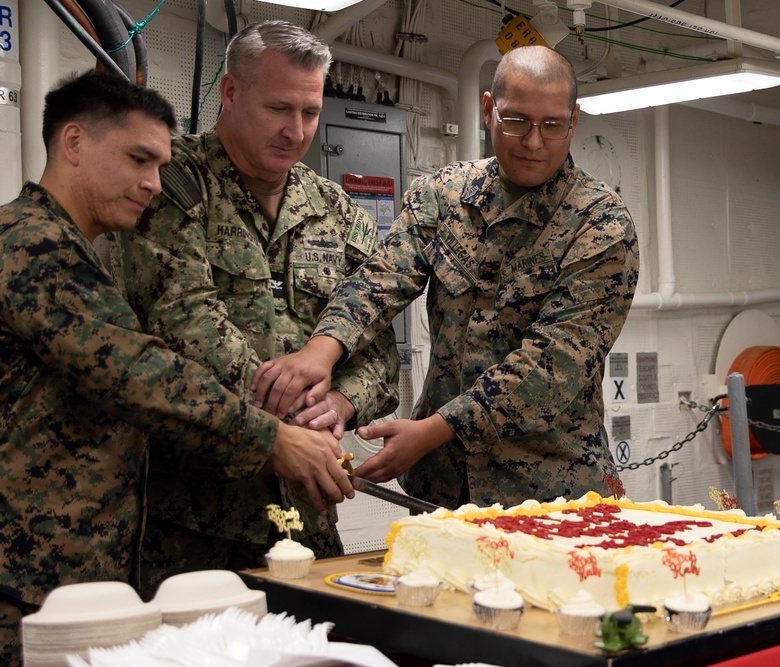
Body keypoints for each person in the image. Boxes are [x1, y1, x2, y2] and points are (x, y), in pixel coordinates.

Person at [0, 70, 353, 667]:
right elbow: (136, 371)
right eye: (138, 159)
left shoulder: (70, 250)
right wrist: (274, 439)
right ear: (74, 143)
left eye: (160, 165)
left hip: (44, 579)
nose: (153, 183)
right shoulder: (29, 243)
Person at [252, 44, 640, 510]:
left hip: (554, 494)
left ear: (573, 120)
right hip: (445, 489)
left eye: (552, 125)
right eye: (516, 121)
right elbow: (382, 278)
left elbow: (551, 369)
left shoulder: (600, 224)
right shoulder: (443, 195)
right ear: (488, 109)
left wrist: (432, 432)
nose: (534, 142)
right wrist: (322, 351)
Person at [110, 20, 399, 597]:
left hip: (307, 519)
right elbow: (184, 323)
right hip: (193, 520)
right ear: (231, 92)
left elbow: (382, 352)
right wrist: (291, 423)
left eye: (311, 113)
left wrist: (341, 403)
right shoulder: (168, 185)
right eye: (279, 108)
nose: (296, 131)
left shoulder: (336, 213)